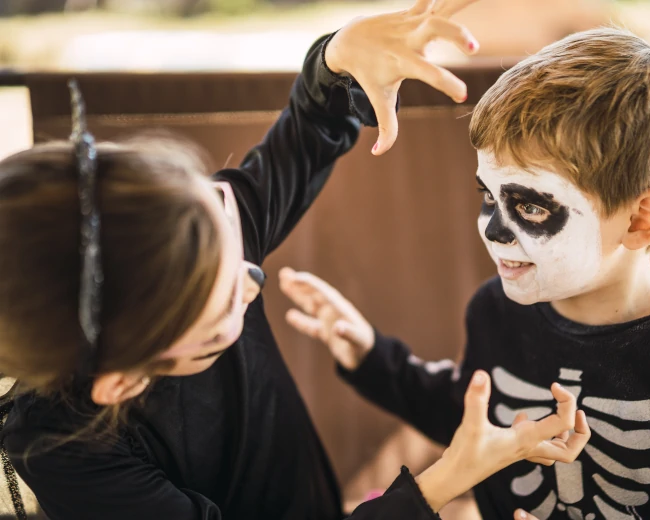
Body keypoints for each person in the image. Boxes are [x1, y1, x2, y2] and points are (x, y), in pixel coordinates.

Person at [0, 2, 592, 519]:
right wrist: (442, 483)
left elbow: (306, 133)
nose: (252, 280)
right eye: (225, 304)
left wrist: (339, 61)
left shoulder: (188, 243)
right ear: (123, 379)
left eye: (227, 222)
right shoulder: (65, 448)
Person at [279, 27, 650, 520]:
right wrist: (370, 355)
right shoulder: (495, 311)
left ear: (639, 219)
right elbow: (470, 424)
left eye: (531, 206)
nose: (494, 232)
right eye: (488, 196)